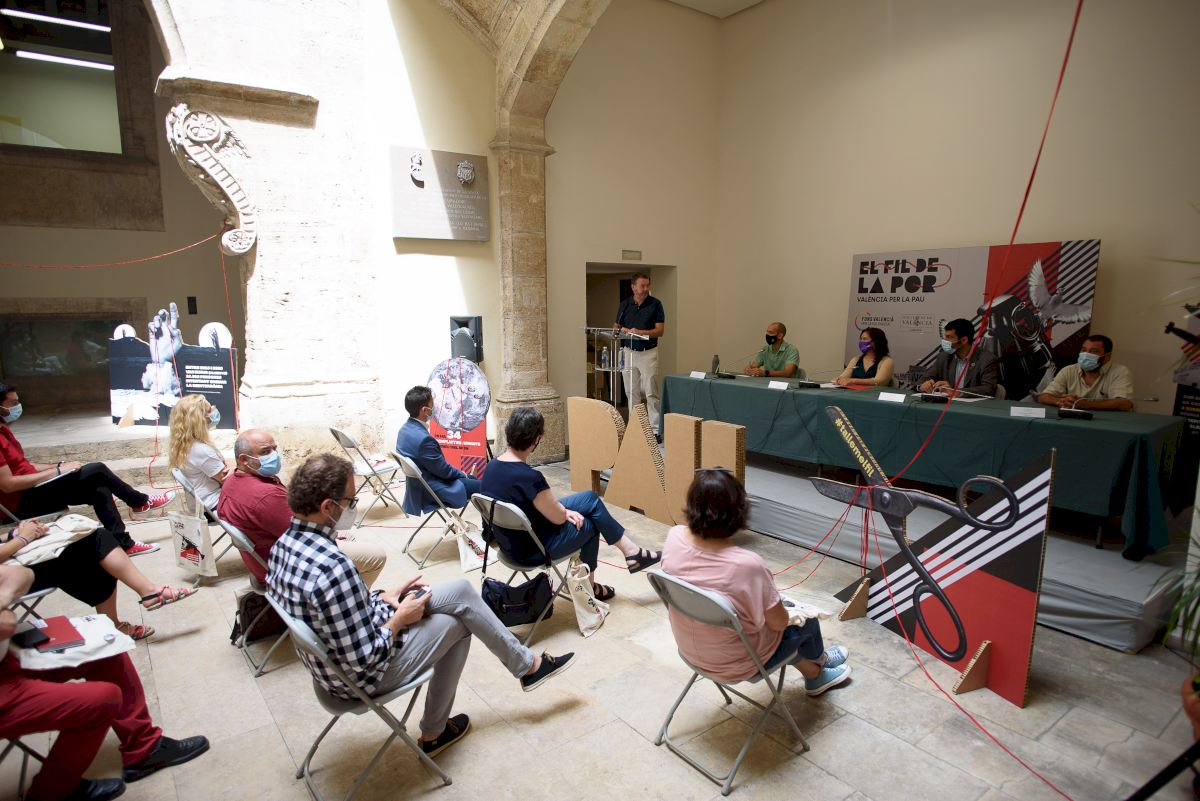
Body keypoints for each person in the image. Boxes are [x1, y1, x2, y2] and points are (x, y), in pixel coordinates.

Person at [268, 453, 575, 757]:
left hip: (336, 663)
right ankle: (435, 731)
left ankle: (527, 666)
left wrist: (383, 598)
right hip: (361, 677)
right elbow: (365, 659)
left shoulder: (283, 546)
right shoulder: (333, 567)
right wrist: (399, 619)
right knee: (458, 624)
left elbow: (339, 614)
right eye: (351, 501)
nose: (353, 507)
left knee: (460, 592)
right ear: (327, 507)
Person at [0, 563, 209, 801]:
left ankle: (144, 748)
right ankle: (52, 793)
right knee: (102, 700)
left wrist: (2, 600)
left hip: (9, 659)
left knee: (108, 649)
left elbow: (21, 573)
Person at [661, 469, 852, 695]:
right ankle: (819, 669)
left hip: (691, 650)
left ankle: (816, 667)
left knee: (758, 616)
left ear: (691, 505)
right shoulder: (747, 565)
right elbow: (779, 623)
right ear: (738, 512)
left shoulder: (675, 536)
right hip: (740, 663)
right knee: (806, 620)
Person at [479, 406, 661, 601]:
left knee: (590, 499)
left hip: (510, 545)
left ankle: (631, 552)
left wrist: (564, 512)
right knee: (590, 524)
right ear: (536, 440)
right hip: (533, 550)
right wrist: (564, 513)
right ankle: (589, 587)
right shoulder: (530, 478)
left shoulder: (491, 467)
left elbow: (540, 509)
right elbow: (558, 519)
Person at [0, 383, 172, 556]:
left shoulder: (4, 430)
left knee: (99, 489)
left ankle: (124, 544)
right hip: (21, 501)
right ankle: (139, 502)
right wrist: (57, 473)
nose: (18, 407)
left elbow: (23, 466)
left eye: (18, 402)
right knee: (97, 470)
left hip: (34, 489)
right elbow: (8, 485)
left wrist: (58, 466)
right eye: (13, 404)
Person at [218, 429, 386, 587]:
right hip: (286, 564)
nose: (274, 455)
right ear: (244, 459)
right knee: (376, 556)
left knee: (348, 538)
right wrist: (330, 538)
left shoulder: (232, 481)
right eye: (265, 451)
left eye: (274, 449)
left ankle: (342, 587)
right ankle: (353, 600)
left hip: (264, 559)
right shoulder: (265, 496)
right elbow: (305, 536)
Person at [3, 518, 195, 640]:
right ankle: (143, 598)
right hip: (12, 577)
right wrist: (22, 539)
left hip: (11, 561)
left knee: (97, 540)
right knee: (95, 545)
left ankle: (133, 606)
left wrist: (15, 534)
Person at [396, 385, 481, 515]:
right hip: (435, 489)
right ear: (425, 410)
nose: (435, 407)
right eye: (432, 404)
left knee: (473, 480)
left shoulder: (404, 430)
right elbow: (444, 471)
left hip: (418, 486)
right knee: (487, 487)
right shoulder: (424, 440)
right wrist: (462, 474)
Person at [613, 272, 666, 430]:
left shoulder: (655, 304)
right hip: (628, 352)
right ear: (633, 287)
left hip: (648, 352)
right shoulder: (625, 305)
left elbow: (660, 331)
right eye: (642, 286)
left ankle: (655, 429)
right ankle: (636, 428)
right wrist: (622, 330)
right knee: (631, 391)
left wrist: (640, 332)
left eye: (647, 286)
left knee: (651, 392)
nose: (645, 289)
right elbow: (615, 327)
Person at [1036, 334, 1134, 412]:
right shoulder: (1069, 370)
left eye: (1094, 351)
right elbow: (1043, 397)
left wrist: (1086, 404)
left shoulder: (1120, 372)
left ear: (1107, 356)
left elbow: (1125, 404)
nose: (1086, 355)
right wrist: (1060, 401)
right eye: (1084, 350)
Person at [168, 394, 228, 511]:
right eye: (210, 410)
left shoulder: (184, 444)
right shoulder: (201, 450)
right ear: (199, 419)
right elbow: (227, 479)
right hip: (214, 504)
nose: (214, 410)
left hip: (201, 503)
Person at [917, 318, 999, 397]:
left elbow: (988, 389)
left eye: (949, 337)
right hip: (946, 404)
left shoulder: (987, 359)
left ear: (964, 340)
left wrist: (957, 392)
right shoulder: (944, 356)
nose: (944, 340)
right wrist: (924, 385)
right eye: (945, 337)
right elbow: (925, 378)